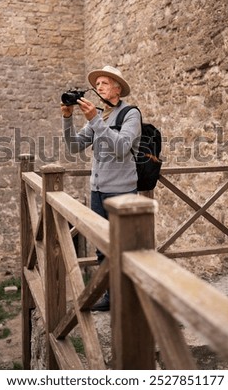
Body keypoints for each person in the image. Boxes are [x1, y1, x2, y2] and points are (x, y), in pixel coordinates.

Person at [61, 65, 141, 311]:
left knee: (125, 249)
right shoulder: (100, 116)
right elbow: (74, 147)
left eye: (105, 83)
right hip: (97, 192)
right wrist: (66, 118)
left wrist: (94, 119)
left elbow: (121, 148)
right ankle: (111, 297)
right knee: (102, 250)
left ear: (117, 89)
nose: (99, 87)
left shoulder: (130, 114)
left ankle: (130, 299)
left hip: (122, 193)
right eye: (97, 85)